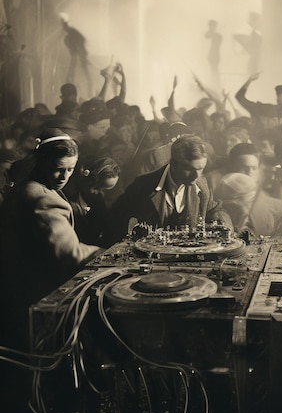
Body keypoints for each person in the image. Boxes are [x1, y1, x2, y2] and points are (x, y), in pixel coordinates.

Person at [0, 129, 102, 337]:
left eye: (71, 169)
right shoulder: (42, 198)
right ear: (42, 162)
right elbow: (70, 254)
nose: (64, 176)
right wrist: (107, 253)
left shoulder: (28, 186)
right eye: (59, 169)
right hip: (37, 294)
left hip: (15, 288)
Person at [103, 135, 231, 245]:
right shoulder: (142, 185)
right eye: (189, 169)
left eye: (200, 169)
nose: (196, 176)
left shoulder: (202, 184)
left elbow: (214, 208)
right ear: (173, 164)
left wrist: (221, 220)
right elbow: (115, 218)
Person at [64, 156, 121, 245]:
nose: (99, 193)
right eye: (97, 187)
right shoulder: (67, 198)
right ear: (87, 179)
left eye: (105, 189)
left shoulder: (98, 201)